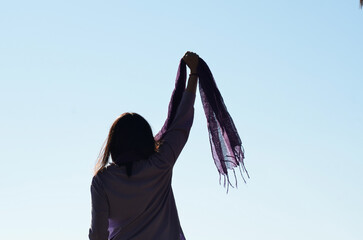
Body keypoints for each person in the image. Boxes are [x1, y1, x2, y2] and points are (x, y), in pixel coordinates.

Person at [89, 51, 199, 240]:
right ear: (147, 140)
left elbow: (98, 235)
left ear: (114, 144)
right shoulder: (160, 164)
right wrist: (194, 75)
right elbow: (180, 123)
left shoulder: (103, 180)